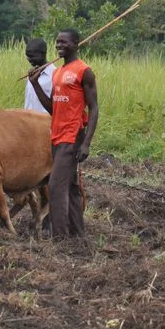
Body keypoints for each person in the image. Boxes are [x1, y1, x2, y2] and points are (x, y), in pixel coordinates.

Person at [29, 28, 99, 238]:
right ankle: (78, 234)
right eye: (57, 42)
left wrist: (86, 143)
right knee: (70, 188)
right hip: (56, 136)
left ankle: (59, 238)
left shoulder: (84, 71)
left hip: (73, 135)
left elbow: (94, 108)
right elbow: (53, 108)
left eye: (64, 42)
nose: (59, 46)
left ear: (76, 44)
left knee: (56, 186)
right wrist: (35, 85)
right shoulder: (57, 73)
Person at [24, 38, 55, 114]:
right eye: (27, 56)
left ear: (43, 53)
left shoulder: (54, 74)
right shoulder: (32, 74)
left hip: (44, 122)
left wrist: (35, 83)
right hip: (27, 121)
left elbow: (54, 107)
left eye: (32, 56)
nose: (29, 59)